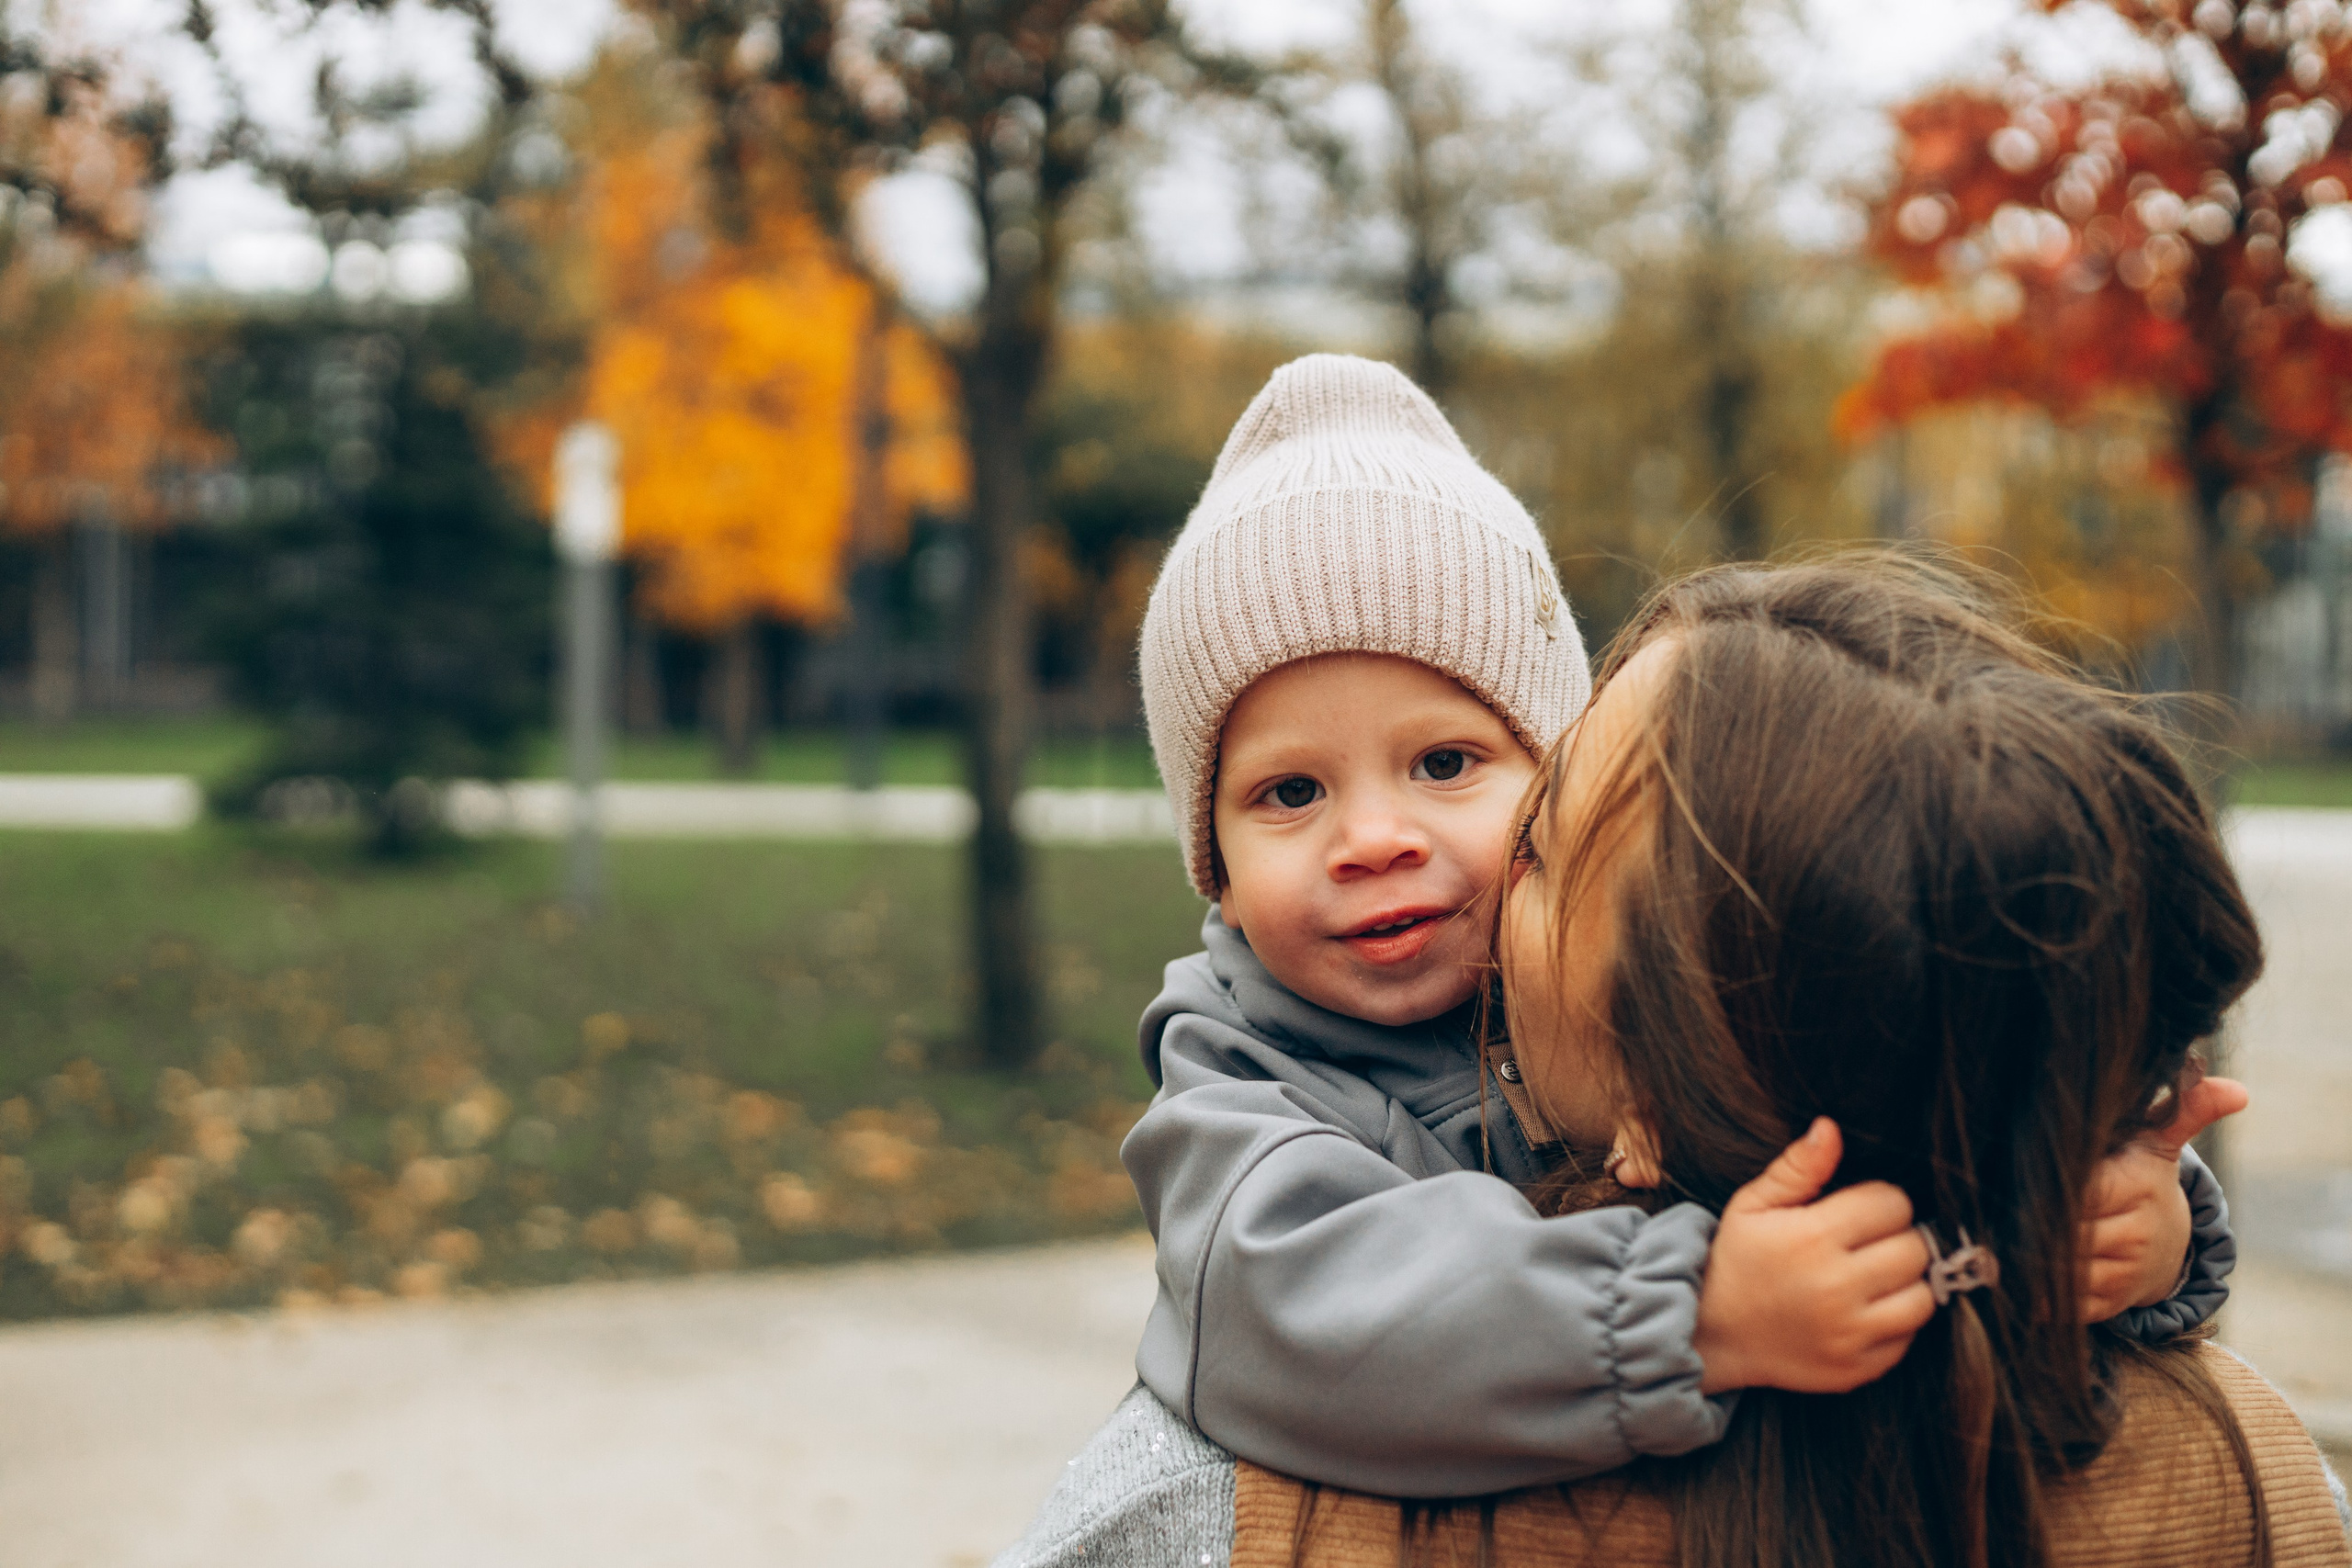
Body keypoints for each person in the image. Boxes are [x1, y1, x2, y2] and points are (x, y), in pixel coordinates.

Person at [1000, 556, 2352, 1568]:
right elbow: (1288, 1283)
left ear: (1647, 1097)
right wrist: (2021, 1192)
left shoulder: (1211, 1515)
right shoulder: (2248, 1478)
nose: (1397, 849)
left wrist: (2112, 1222)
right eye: (1290, 792)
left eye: (1525, 831)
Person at [1081, 355, 2226, 1505]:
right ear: (1214, 870)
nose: (1372, 837)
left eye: (1444, 764)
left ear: (1547, 778)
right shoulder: (1240, 1085)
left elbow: (1885, 1097)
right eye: (1289, 794)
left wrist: (2110, 1214)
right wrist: (1694, 1314)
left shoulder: (1641, 961)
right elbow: (1291, 1316)